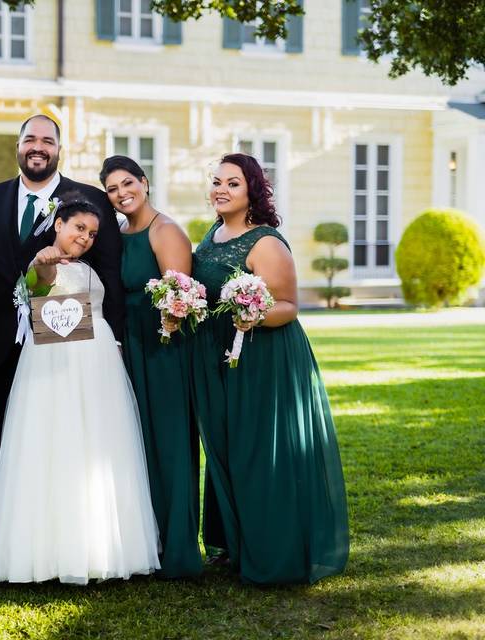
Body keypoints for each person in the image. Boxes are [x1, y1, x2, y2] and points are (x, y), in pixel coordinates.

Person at [0, 194, 160, 585]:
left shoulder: (88, 268)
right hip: (55, 364)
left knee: (96, 446)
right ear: (59, 223)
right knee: (56, 443)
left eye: (93, 233)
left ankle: (100, 546)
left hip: (97, 366)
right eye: (79, 227)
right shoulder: (42, 261)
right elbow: (39, 287)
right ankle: (49, 551)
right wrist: (42, 268)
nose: (85, 237)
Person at [190, 153, 349, 584]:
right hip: (219, 356)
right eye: (217, 181)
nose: (220, 189)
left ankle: (271, 550)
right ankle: (236, 543)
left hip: (262, 359)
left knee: (258, 452)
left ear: (252, 191)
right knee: (226, 449)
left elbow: (289, 307)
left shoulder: (266, 242)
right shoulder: (213, 233)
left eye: (233, 184)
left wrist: (252, 316)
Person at [0, 114, 125, 438]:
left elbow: (110, 273)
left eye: (47, 141)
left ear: (59, 149)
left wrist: (115, 341)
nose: (37, 148)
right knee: (4, 444)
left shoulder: (91, 199)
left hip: (64, 350)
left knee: (60, 437)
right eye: (30, 140)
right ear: (18, 146)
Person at [100, 155, 203, 578]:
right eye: (112, 189)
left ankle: (178, 548)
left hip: (165, 349)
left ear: (145, 182)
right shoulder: (120, 233)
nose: (122, 193)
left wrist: (168, 324)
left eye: (128, 183)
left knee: (171, 445)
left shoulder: (166, 231)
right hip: (131, 348)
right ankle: (149, 541)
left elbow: (180, 298)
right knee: (139, 445)